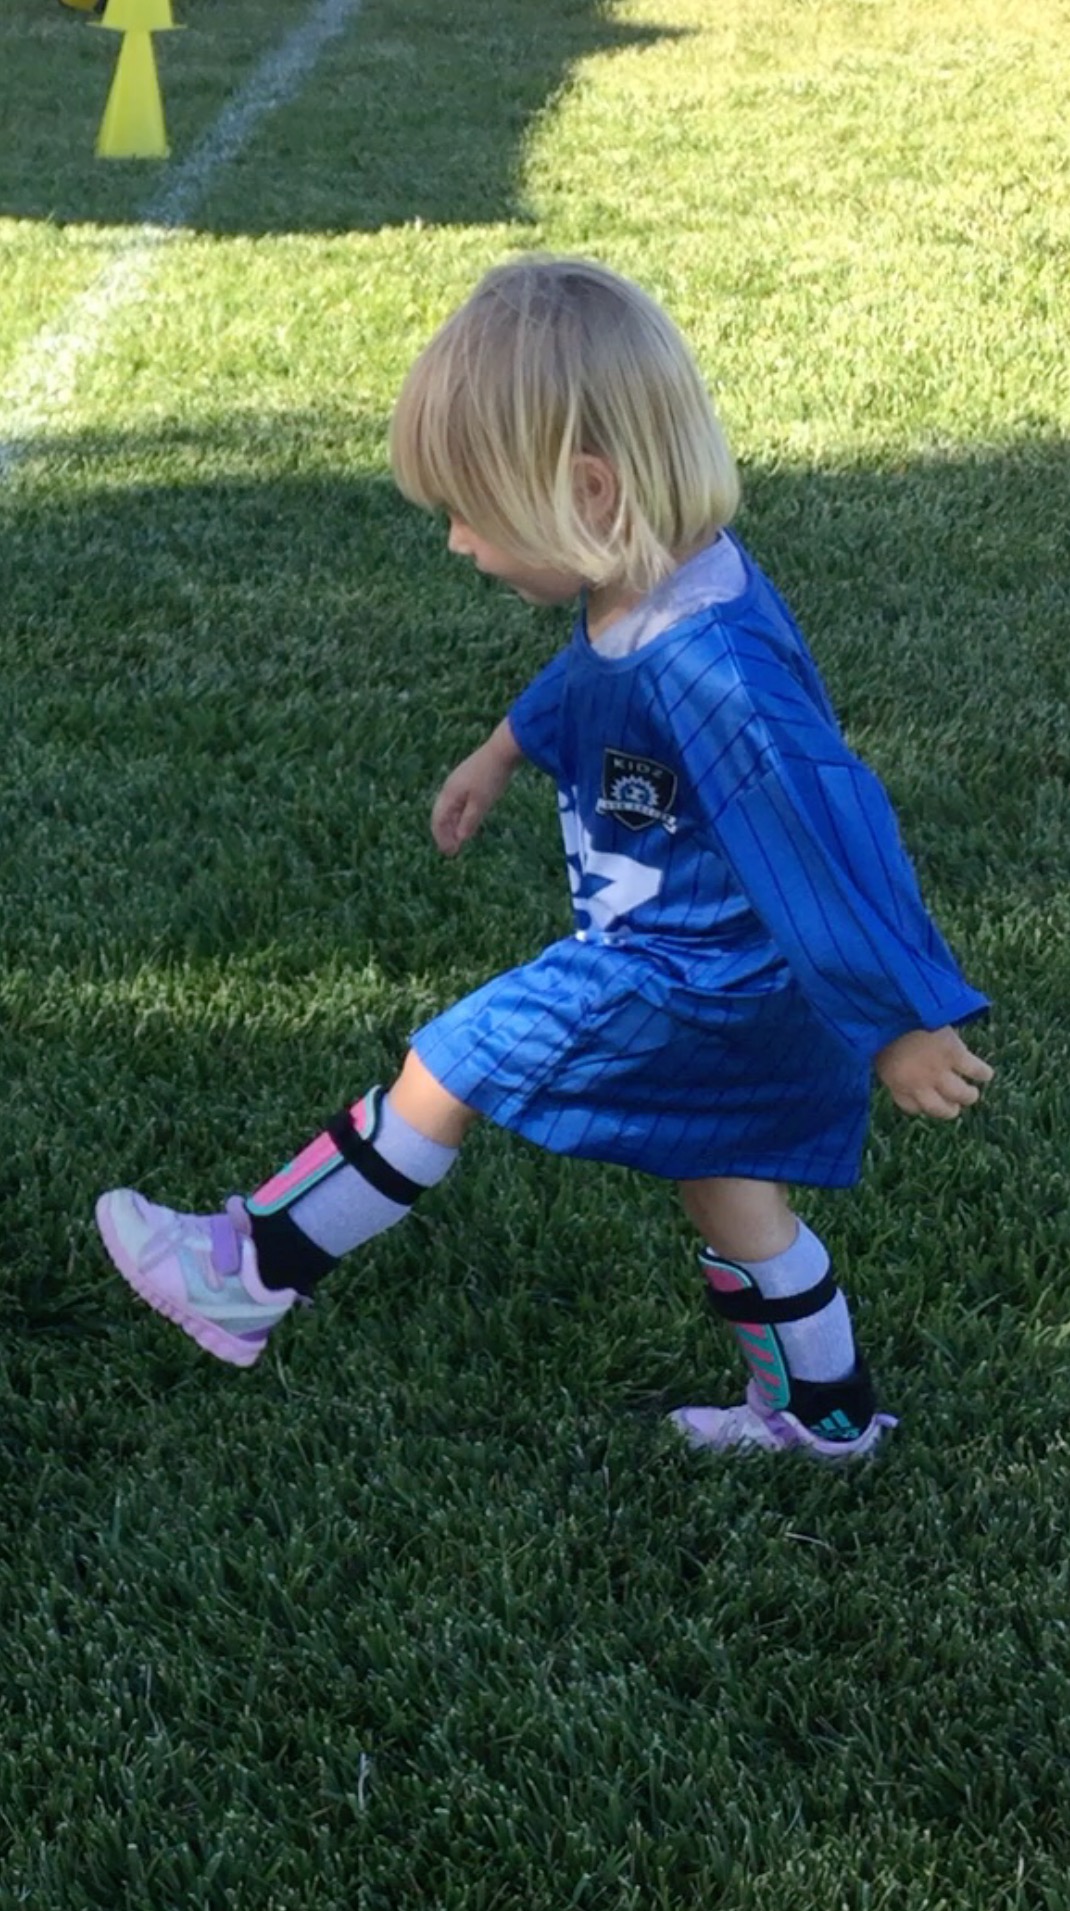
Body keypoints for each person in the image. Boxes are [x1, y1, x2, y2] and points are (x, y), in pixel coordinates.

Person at [95, 257, 994, 1459]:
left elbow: (827, 832)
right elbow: (587, 676)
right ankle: (824, 1415)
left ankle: (248, 1269)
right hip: (712, 972)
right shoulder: (655, 576)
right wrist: (504, 746)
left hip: (690, 975)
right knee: (730, 1190)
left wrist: (899, 1019)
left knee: (452, 1060)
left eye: (473, 510)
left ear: (587, 487)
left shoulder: (712, 669)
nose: (460, 541)